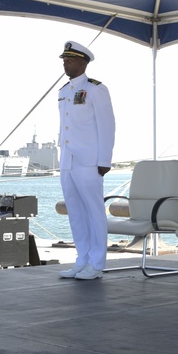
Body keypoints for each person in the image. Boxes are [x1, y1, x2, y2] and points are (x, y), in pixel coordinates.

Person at [56, 41, 115, 281]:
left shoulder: (96, 89)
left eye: (69, 59)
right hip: (68, 159)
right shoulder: (63, 91)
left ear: (83, 62)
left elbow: (107, 126)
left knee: (93, 211)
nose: (65, 63)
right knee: (75, 212)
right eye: (64, 59)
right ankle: (82, 259)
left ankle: (97, 262)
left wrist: (105, 159)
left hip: (90, 159)